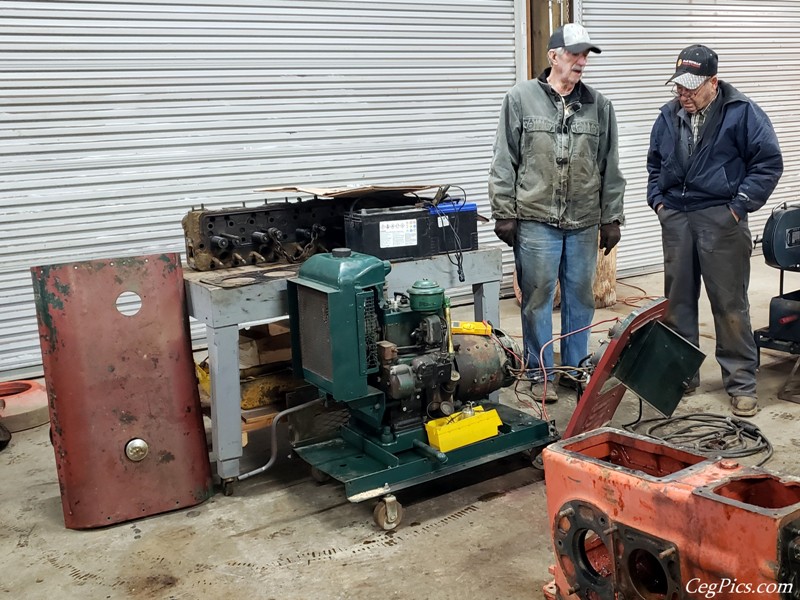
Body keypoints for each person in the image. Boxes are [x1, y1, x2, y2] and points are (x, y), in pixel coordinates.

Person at [488, 23, 626, 403]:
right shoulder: (520, 99)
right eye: (574, 54)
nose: (581, 62)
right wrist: (504, 211)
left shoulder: (600, 105)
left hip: (583, 221)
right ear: (553, 56)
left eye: (586, 55)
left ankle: (575, 369)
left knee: (581, 298)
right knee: (537, 297)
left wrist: (612, 217)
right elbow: (505, 160)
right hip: (536, 220)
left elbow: (610, 165)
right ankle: (539, 372)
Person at [646, 45, 783, 417]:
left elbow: (768, 162)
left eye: (691, 88)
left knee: (730, 304)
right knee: (677, 303)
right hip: (677, 216)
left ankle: (741, 382)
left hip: (721, 218)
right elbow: (654, 164)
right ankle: (681, 377)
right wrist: (659, 202)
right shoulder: (668, 115)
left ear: (713, 82)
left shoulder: (743, 113)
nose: (683, 95)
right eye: (679, 87)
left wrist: (738, 207)